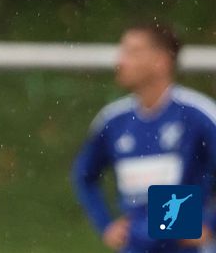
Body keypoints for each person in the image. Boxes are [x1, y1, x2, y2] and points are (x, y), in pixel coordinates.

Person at [72, 22, 216, 252]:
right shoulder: (114, 120)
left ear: (161, 61)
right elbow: (84, 174)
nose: (120, 61)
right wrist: (106, 225)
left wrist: (210, 224)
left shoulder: (197, 115)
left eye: (133, 52)